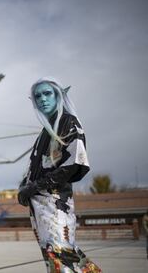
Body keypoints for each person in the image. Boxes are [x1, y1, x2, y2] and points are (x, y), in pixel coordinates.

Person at [17, 77, 101, 272]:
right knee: (57, 256)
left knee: (61, 254)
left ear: (58, 95)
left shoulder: (68, 122)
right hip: (39, 204)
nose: (42, 99)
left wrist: (34, 187)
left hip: (56, 202)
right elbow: (37, 166)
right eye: (37, 96)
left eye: (47, 93)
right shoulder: (45, 132)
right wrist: (25, 186)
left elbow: (74, 163)